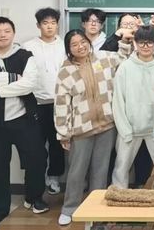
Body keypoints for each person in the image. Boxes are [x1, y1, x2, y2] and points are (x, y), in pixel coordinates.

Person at [0, 16, 48, 230]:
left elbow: (28, 85)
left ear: (13, 33)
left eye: (7, 31)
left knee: (37, 160)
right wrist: (12, 77)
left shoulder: (25, 56)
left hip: (23, 119)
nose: (2, 35)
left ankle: (34, 198)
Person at [54, 29, 132, 226]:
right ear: (68, 49)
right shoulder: (65, 71)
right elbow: (61, 104)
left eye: (83, 41)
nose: (80, 46)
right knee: (76, 171)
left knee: (100, 170)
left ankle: (95, 209)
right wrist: (63, 133)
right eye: (74, 44)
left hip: (106, 126)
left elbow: (123, 59)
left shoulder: (104, 58)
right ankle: (70, 208)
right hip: (81, 129)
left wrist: (125, 41)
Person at [111, 26, 154, 189]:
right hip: (130, 128)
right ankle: (117, 198)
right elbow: (118, 100)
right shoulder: (125, 67)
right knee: (121, 168)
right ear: (135, 43)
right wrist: (124, 129)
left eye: (150, 42)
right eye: (141, 42)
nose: (146, 46)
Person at [22, 7, 66, 195]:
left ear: (57, 25)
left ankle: (54, 177)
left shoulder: (65, 45)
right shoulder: (28, 47)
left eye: (53, 23)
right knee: (36, 145)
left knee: (57, 143)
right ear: (38, 25)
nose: (49, 26)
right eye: (45, 23)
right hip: (36, 103)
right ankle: (36, 182)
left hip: (60, 103)